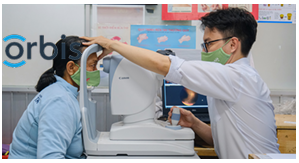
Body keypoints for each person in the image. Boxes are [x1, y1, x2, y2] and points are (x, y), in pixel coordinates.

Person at [81, 7, 280, 159]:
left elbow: (163, 65)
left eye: (209, 43)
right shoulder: (235, 80)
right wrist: (194, 123)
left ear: (233, 44)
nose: (205, 50)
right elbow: (224, 140)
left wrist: (112, 44)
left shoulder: (237, 77)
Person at [9, 36, 100, 159]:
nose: (96, 70)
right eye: (93, 65)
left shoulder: (60, 92)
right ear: (71, 68)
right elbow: (50, 158)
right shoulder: (59, 101)